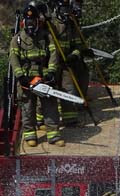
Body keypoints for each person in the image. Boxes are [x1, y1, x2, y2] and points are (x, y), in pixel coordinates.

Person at [9, 3, 64, 147]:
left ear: (38, 21)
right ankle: (30, 134)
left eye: (33, 21)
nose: (30, 25)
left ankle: (53, 134)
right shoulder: (17, 40)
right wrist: (21, 77)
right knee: (28, 106)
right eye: (28, 22)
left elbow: (54, 54)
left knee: (50, 104)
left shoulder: (46, 37)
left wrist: (52, 72)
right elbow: (13, 60)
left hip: (43, 76)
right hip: (26, 79)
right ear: (23, 22)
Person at [47, 0, 88, 127]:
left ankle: (70, 120)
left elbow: (77, 45)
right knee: (49, 91)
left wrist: (73, 55)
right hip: (52, 63)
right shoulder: (51, 23)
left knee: (68, 89)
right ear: (57, 9)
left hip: (66, 63)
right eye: (63, 10)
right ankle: (42, 120)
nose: (66, 13)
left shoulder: (71, 24)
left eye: (68, 10)